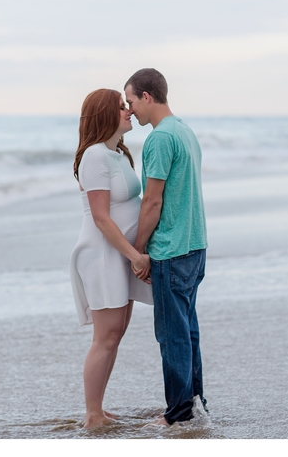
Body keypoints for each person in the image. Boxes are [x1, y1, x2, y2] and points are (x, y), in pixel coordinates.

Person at [124, 68, 209, 427]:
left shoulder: (159, 140)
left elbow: (152, 202)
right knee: (187, 330)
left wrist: (139, 250)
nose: (130, 111)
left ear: (147, 95)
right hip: (195, 244)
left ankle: (177, 415)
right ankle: (194, 402)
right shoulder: (185, 131)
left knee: (172, 335)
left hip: (172, 250)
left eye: (131, 102)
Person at [69, 88, 154, 429]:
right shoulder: (94, 157)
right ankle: (92, 416)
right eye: (121, 107)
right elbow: (102, 218)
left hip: (121, 254)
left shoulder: (117, 154)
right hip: (104, 254)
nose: (128, 111)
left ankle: (99, 410)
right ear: (105, 115)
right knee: (105, 336)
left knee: (116, 333)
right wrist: (136, 255)